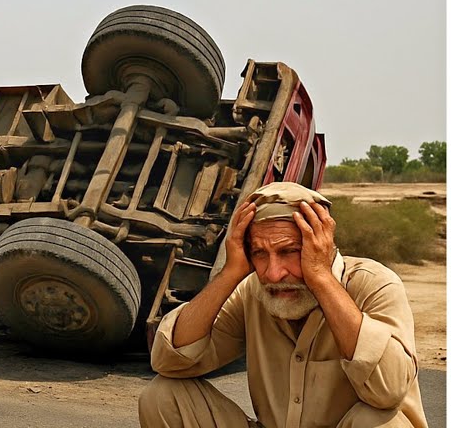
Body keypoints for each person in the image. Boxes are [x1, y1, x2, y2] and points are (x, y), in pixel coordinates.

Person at [140, 182, 426, 427]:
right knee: (163, 396)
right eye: (260, 253)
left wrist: (321, 279)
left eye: (290, 251)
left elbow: (389, 391)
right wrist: (231, 273)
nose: (274, 273)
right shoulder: (254, 290)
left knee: (379, 422)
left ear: (323, 244)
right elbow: (168, 361)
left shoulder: (373, 284)